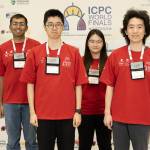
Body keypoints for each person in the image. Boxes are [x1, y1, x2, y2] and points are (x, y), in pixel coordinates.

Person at [20, 9, 88, 150]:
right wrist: (32, 112)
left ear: (63, 26)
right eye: (50, 24)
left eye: (58, 24)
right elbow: (30, 84)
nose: (54, 28)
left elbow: (78, 85)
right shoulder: (34, 53)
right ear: (45, 27)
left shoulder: (73, 52)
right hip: (43, 115)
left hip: (68, 115)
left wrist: (78, 111)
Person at [100, 9, 150, 150]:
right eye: (131, 27)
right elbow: (110, 86)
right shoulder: (116, 55)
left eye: (139, 27)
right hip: (119, 118)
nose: (135, 31)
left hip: (143, 117)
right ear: (126, 31)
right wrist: (107, 112)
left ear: (145, 31)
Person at [0, 14, 40, 150]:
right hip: (9, 102)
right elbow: (1, 77)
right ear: (10, 27)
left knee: (32, 141)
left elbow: (41, 76)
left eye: (22, 23)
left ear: (27, 27)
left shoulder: (36, 46)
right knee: (12, 141)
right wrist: (0, 103)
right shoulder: (2, 48)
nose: (18, 26)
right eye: (15, 23)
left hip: (31, 102)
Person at [78, 29, 112, 150]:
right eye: (92, 41)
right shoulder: (80, 61)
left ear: (103, 44)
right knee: (84, 146)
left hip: (104, 112)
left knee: (105, 146)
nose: (95, 44)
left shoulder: (110, 62)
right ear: (87, 43)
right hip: (85, 111)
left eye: (99, 41)